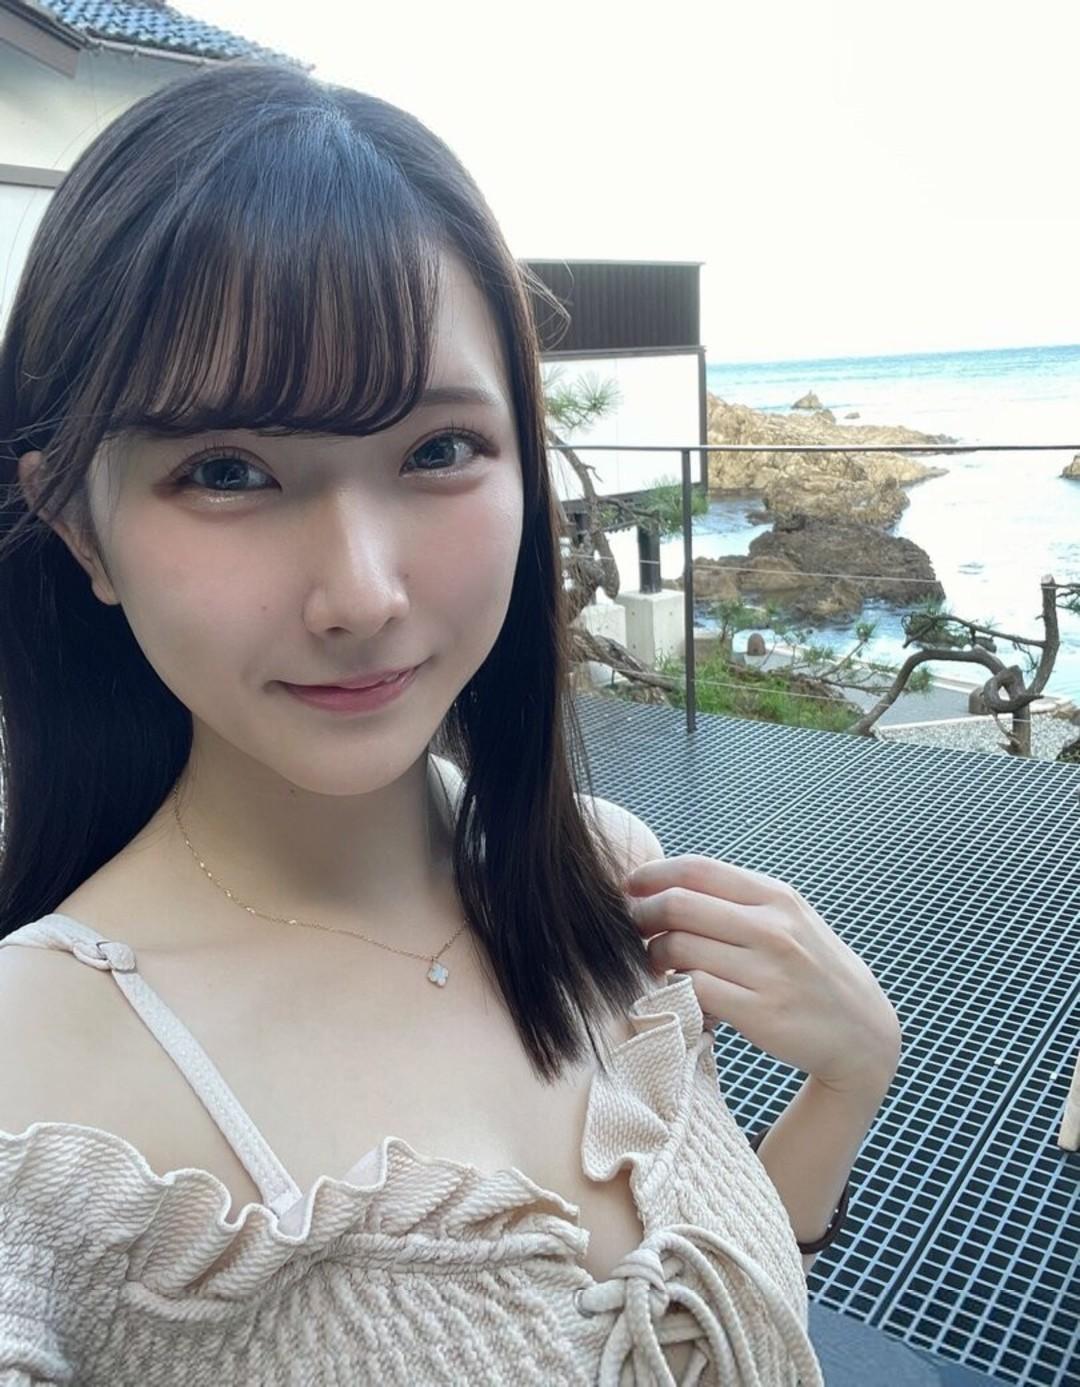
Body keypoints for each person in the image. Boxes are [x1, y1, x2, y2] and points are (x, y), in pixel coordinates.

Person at [0, 61, 850, 1385]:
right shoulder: (39, 1092)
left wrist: (846, 1086)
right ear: (79, 529)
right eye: (227, 471)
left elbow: (708, 1321)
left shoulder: (605, 873)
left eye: (438, 451)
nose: (363, 595)